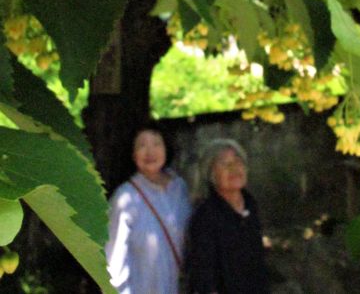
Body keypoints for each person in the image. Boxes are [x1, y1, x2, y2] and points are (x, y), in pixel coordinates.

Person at [106, 124, 191, 294]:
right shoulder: (124, 197)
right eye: (142, 145)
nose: (150, 152)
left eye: (156, 144)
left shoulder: (180, 188)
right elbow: (114, 258)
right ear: (133, 154)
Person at [187, 138, 270, 294]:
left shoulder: (250, 204)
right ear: (211, 173)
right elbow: (204, 276)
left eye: (238, 161)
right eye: (225, 164)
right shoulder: (205, 216)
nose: (234, 168)